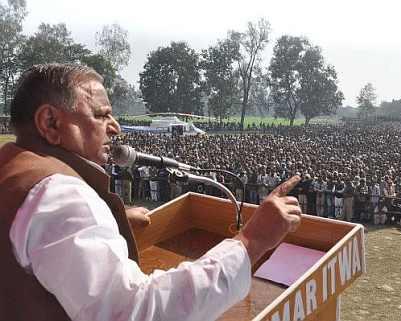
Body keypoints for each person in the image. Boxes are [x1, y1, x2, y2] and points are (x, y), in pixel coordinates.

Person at [0, 63, 303, 321]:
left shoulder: (15, 170)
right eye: (101, 114)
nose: (115, 126)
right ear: (50, 122)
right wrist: (251, 242)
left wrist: (106, 221)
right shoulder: (60, 195)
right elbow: (135, 312)